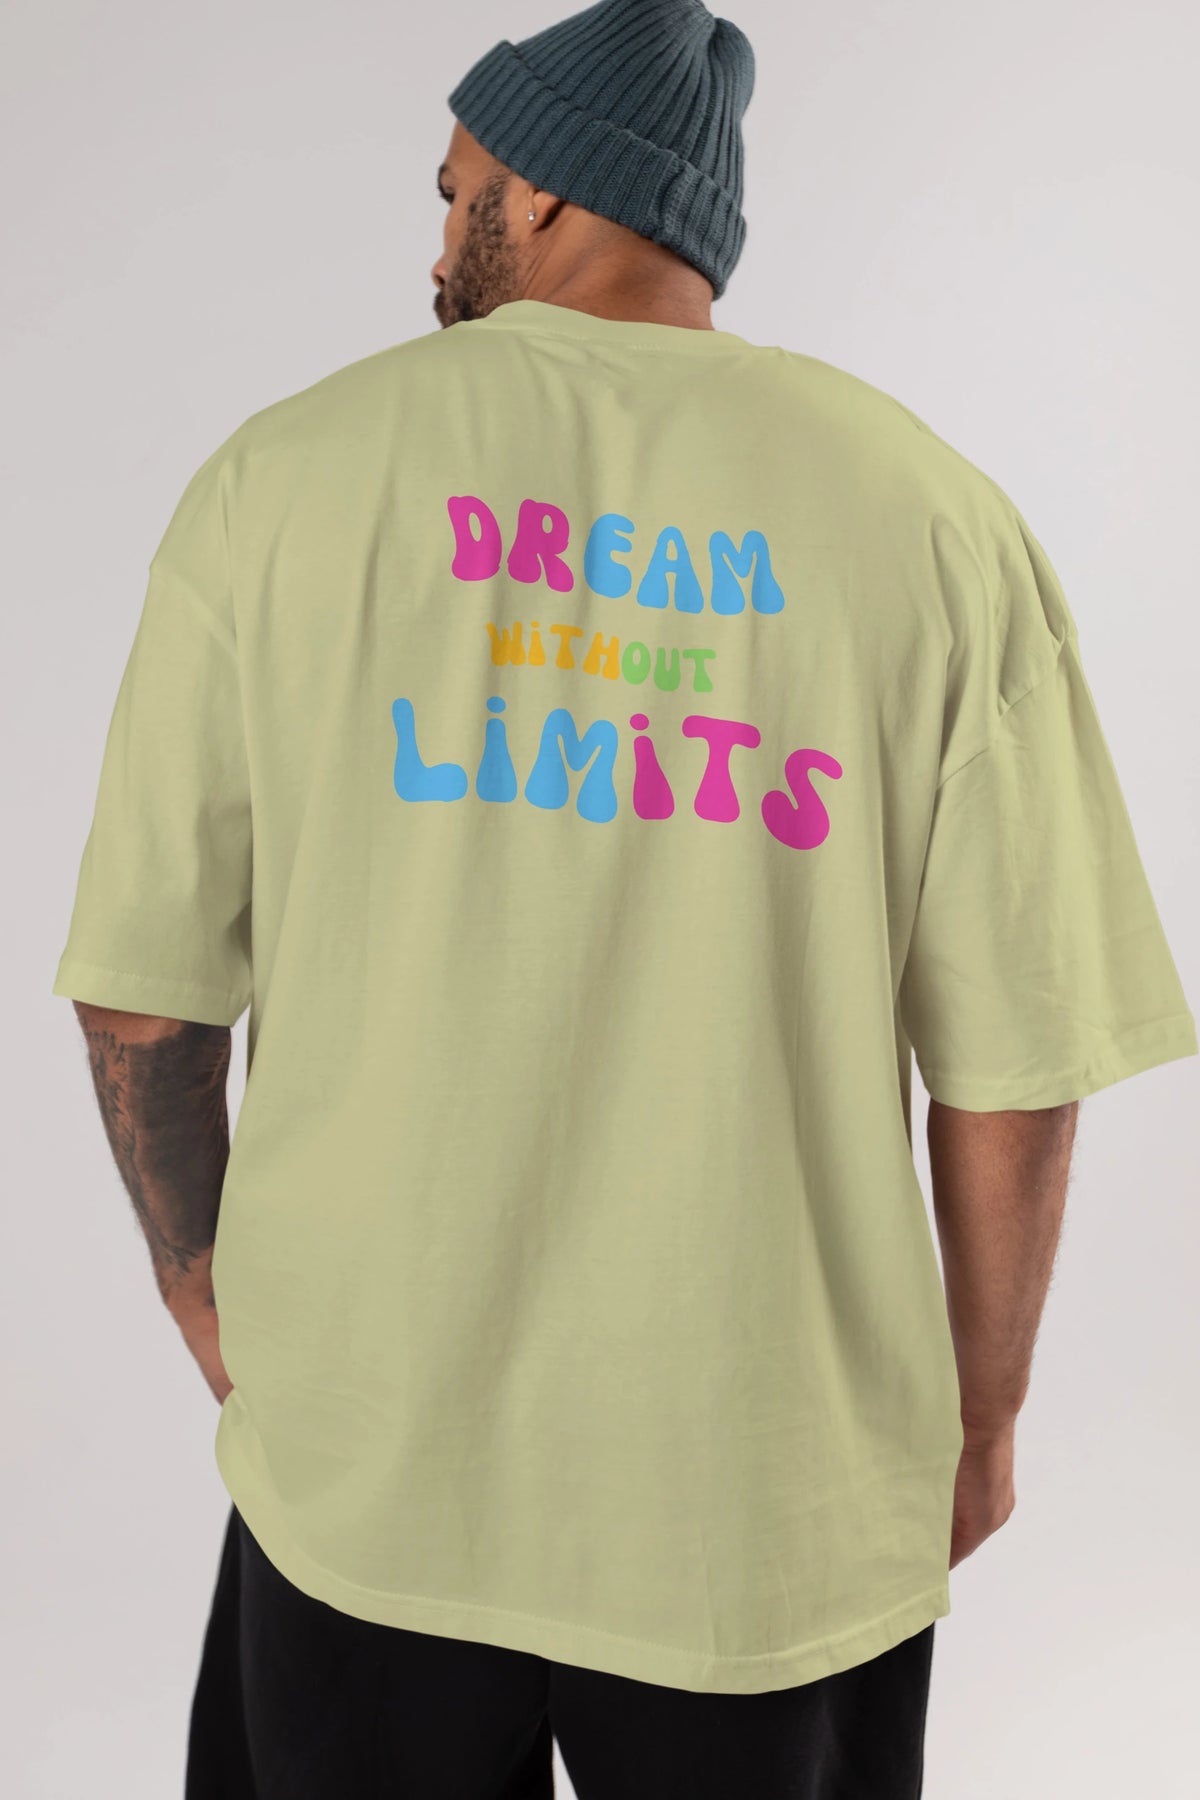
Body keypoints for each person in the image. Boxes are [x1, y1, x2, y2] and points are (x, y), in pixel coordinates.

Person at [52, 0, 1197, 1795]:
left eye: (456, 193)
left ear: (547, 191)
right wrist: (981, 1419)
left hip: (372, 1464)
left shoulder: (278, 484)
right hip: (767, 1499)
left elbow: (147, 987)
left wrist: (210, 1300)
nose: (440, 240)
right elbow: (1017, 1066)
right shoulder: (929, 518)